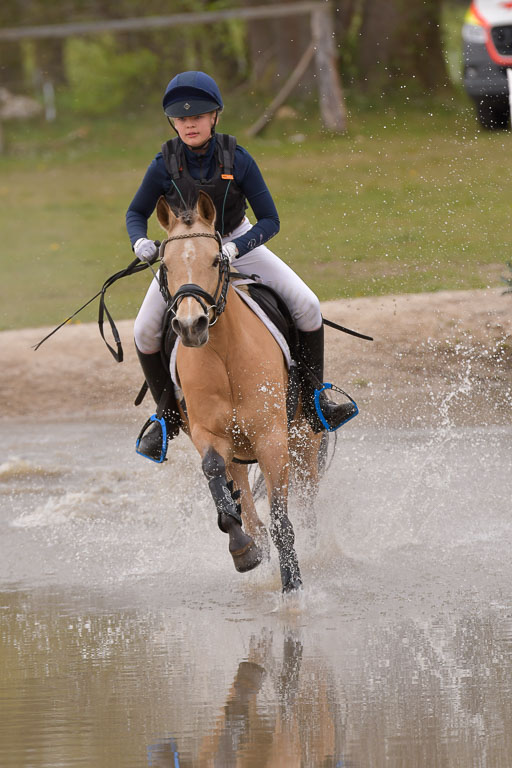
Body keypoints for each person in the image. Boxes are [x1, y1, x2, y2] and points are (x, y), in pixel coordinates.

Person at [126, 71, 355, 461]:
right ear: (173, 122)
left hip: (238, 243)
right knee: (144, 330)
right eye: (182, 119)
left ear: (214, 117)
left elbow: (271, 220)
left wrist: (235, 248)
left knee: (307, 304)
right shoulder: (163, 164)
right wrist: (141, 241)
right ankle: (166, 418)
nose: (189, 123)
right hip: (186, 256)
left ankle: (316, 398)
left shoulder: (238, 158)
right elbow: (136, 211)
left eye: (198, 116)